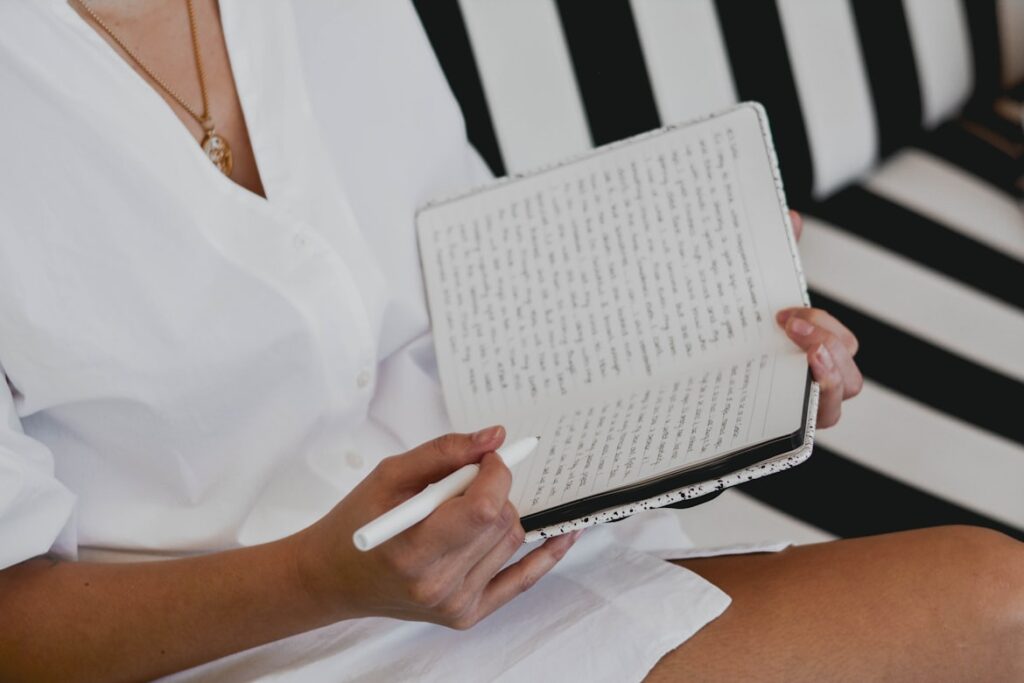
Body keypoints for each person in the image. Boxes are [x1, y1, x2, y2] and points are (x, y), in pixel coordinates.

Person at [0, 2, 1020, 681]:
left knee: (994, 603)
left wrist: (705, 367)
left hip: (535, 562)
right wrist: (323, 577)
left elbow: (451, 288)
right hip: (257, 645)